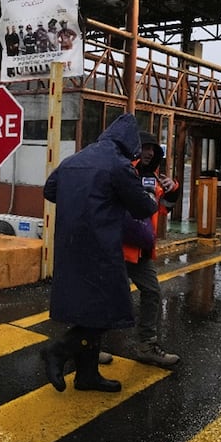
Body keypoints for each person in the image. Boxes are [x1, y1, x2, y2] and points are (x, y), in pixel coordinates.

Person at [40, 113, 158, 393]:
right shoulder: (118, 165)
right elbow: (142, 207)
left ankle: (87, 375)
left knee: (87, 312)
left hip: (69, 247)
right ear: (129, 143)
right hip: (100, 247)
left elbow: (50, 190)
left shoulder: (74, 160)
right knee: (109, 310)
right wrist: (152, 199)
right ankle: (58, 350)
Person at [99, 131, 182, 367]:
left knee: (152, 293)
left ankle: (147, 345)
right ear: (135, 149)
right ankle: (89, 345)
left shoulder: (155, 179)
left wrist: (173, 187)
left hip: (142, 250)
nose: (149, 153)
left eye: (153, 149)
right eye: (145, 148)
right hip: (117, 248)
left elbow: (164, 208)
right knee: (109, 298)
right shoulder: (124, 171)